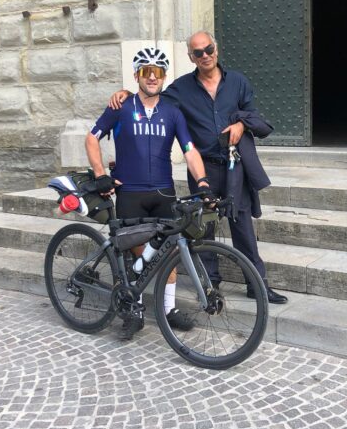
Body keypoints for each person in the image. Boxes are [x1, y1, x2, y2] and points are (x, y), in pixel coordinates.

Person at [110, 31, 288, 304]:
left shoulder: (238, 82)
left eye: (209, 49)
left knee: (242, 227)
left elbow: (254, 115)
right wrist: (126, 94)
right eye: (198, 52)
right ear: (191, 57)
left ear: (216, 49)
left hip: (235, 167)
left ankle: (256, 285)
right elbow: (151, 95)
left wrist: (241, 125)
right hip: (203, 169)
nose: (205, 55)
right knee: (202, 229)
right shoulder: (180, 88)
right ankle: (209, 283)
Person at [86, 46, 213, 340]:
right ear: (137, 76)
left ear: (164, 77)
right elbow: (91, 139)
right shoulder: (121, 107)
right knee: (136, 255)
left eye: (157, 72)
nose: (152, 77)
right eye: (146, 71)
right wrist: (100, 174)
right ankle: (135, 312)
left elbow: (190, 150)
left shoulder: (172, 112)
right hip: (130, 193)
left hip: (163, 193)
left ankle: (168, 310)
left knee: (169, 252)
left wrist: (203, 182)